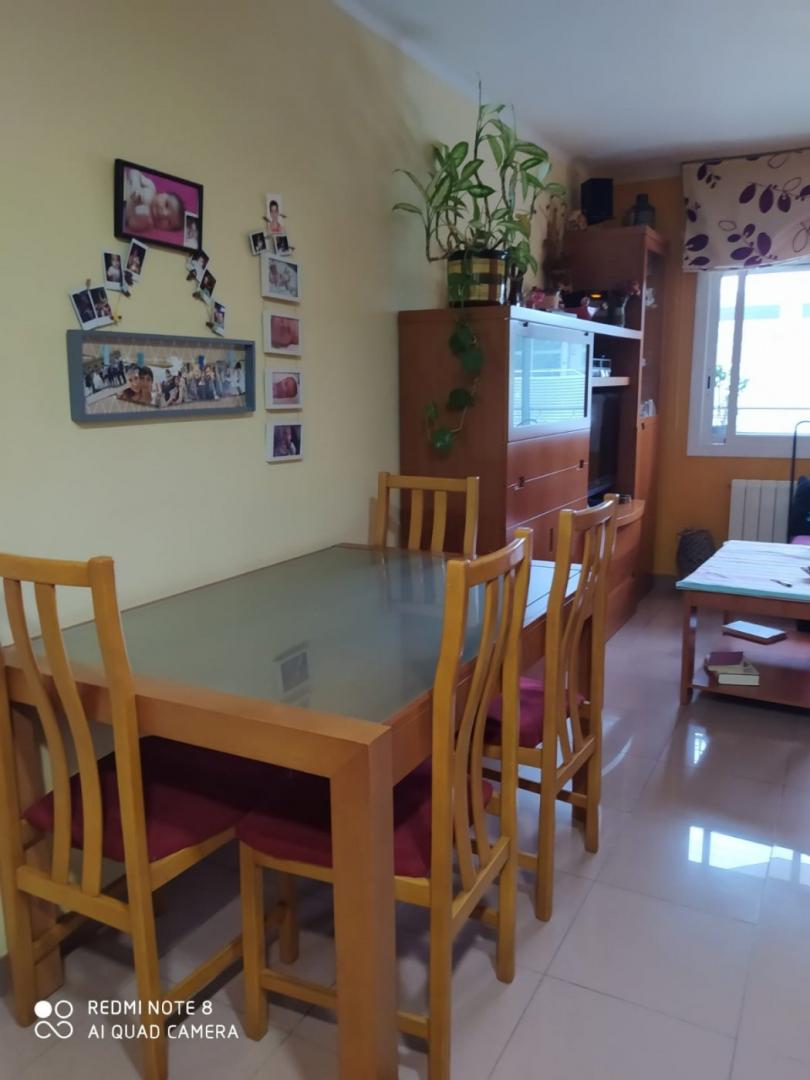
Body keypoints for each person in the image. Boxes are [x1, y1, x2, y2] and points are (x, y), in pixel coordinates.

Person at [123, 167, 185, 234]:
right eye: (166, 204)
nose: (164, 214)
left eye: (169, 222)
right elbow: (134, 172)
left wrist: (141, 218)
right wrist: (136, 186)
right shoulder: (151, 187)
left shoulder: (148, 224)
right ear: (163, 193)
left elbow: (130, 224)